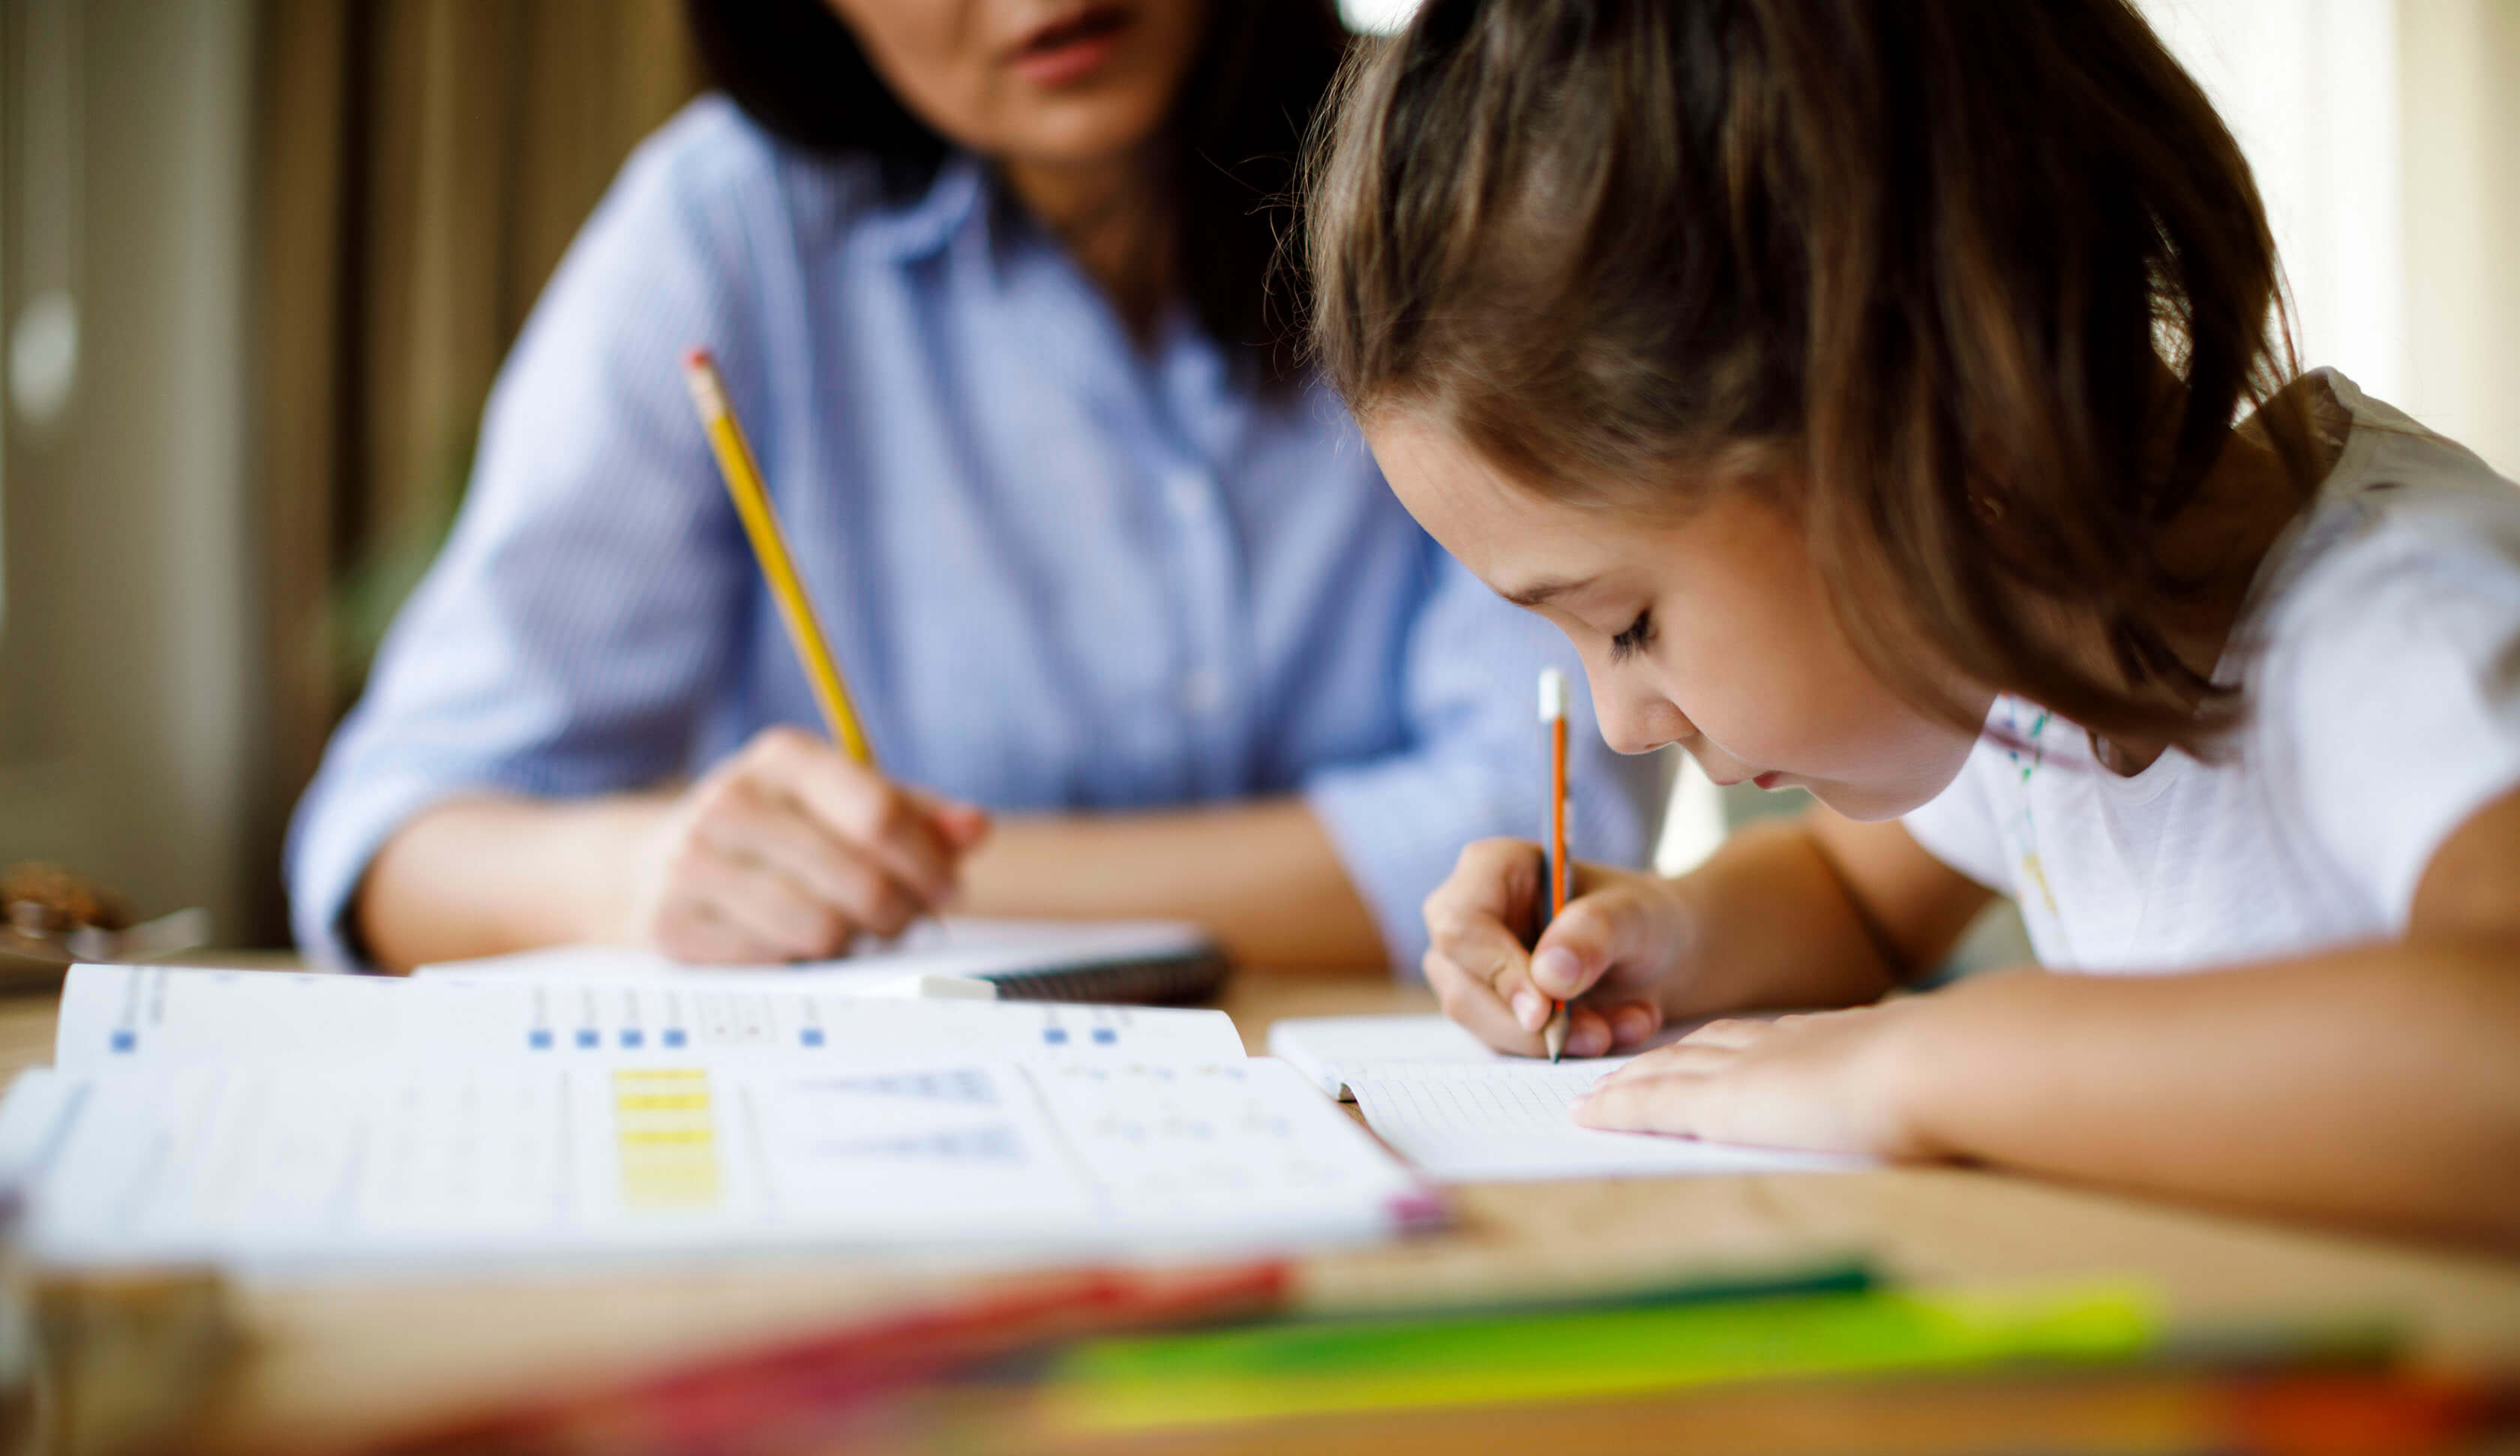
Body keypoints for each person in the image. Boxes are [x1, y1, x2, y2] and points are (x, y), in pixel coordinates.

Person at [1309, 0, 2520, 1245]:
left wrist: (1928, 1064)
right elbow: (1855, 897)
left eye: (1626, 623)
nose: (1620, 726)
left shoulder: (2403, 628)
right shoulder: (2027, 644)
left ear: (1919, 406)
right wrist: (1655, 939)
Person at [286, 0, 1657, 975]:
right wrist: (648, 874)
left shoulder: (1461, 172)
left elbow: (1548, 833)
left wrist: (915, 889)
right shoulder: (728, 236)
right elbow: (388, 842)